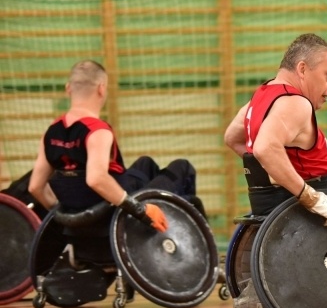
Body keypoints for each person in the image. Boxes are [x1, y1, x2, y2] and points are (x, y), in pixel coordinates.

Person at [28, 60, 202, 233]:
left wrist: (69, 214)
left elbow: (35, 187)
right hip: (117, 212)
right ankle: (180, 237)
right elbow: (96, 179)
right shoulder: (97, 131)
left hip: (90, 209)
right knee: (182, 167)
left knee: (145, 163)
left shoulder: (50, 133)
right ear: (101, 88)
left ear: (68, 89)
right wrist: (139, 209)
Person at [224, 33, 327, 225]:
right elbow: (265, 149)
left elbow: (232, 138)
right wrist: (310, 198)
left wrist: (277, 172)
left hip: (277, 204)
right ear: (302, 69)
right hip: (326, 206)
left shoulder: (261, 96)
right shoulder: (295, 103)